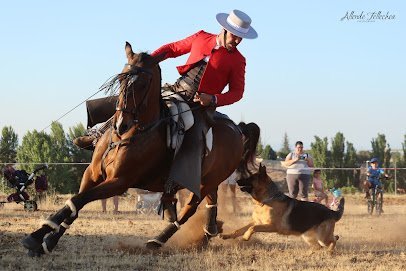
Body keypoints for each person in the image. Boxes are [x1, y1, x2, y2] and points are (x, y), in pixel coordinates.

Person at [73, 10, 258, 221]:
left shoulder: (238, 60)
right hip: (177, 90)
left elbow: (237, 92)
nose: (237, 40)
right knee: (130, 100)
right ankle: (98, 135)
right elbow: (172, 49)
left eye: (240, 37)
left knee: (191, 133)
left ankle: (170, 190)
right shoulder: (200, 37)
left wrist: (213, 99)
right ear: (224, 30)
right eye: (235, 35)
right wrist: (147, 62)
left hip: (200, 107)